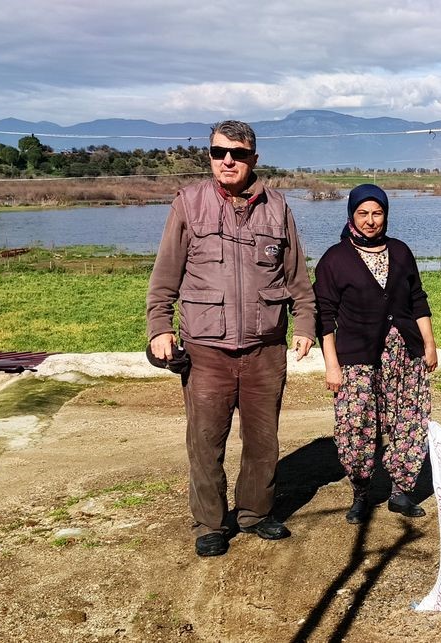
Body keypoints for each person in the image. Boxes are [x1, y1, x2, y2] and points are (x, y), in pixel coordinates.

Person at [146, 120, 317, 557]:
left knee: (263, 440)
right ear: (210, 155)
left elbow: (297, 276)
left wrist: (305, 325)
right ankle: (210, 522)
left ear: (253, 159)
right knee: (206, 440)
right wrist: (160, 328)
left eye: (238, 154)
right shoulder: (189, 204)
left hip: (265, 348)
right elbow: (165, 275)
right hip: (207, 349)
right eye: (219, 152)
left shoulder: (277, 207)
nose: (228, 160)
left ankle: (255, 514)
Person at [313, 184, 438, 523]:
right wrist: (332, 365)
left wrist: (428, 342)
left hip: (404, 354)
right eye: (363, 213)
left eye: (377, 213)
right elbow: (323, 316)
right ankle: (362, 492)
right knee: (356, 426)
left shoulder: (400, 251)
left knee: (408, 421)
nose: (370, 221)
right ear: (352, 215)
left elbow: (417, 300)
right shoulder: (334, 259)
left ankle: (400, 491)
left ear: (386, 215)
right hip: (356, 357)